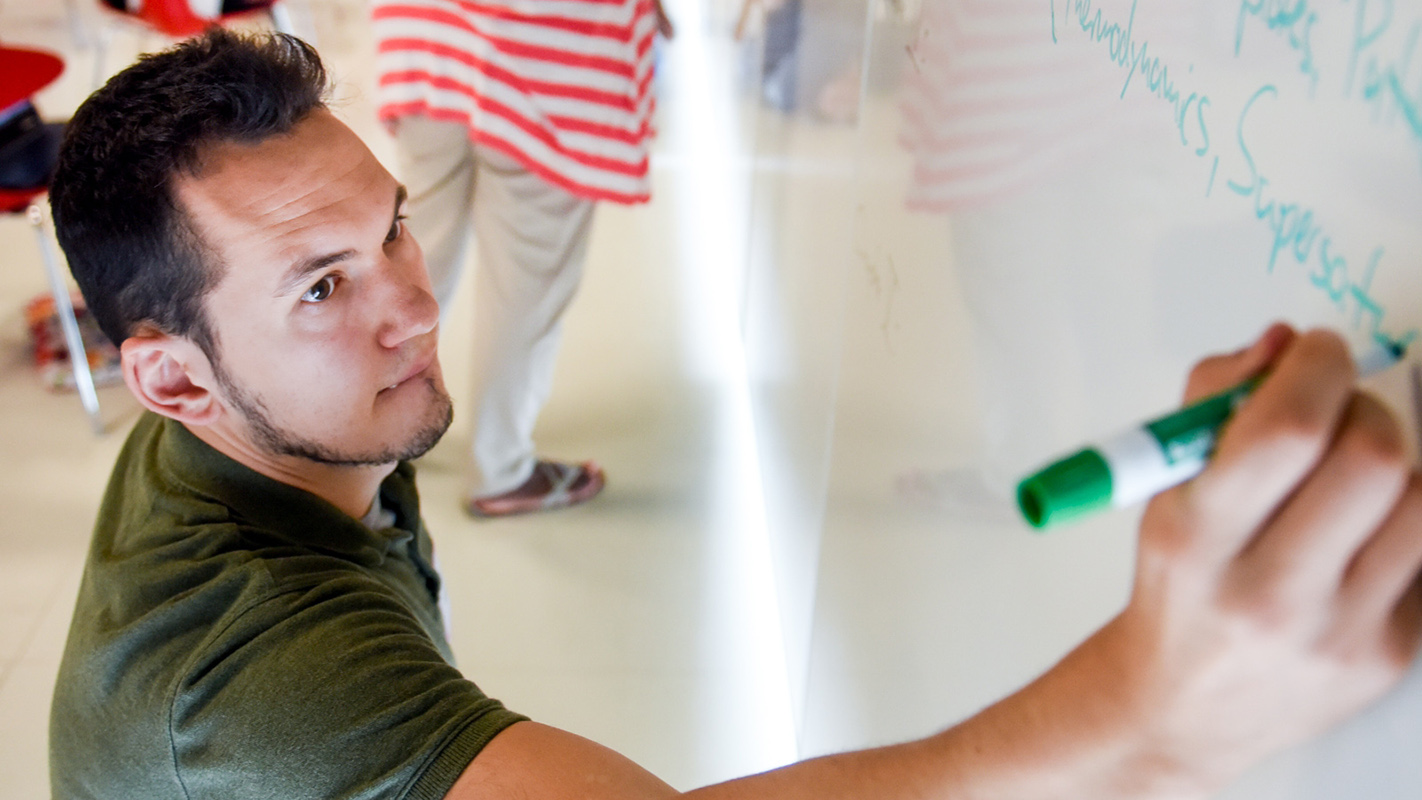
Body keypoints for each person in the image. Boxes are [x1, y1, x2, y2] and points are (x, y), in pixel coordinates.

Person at [48, 30, 1422, 800]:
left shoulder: (276, 425)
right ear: (169, 378)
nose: (410, 306)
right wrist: (1146, 700)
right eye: (322, 286)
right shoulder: (244, 684)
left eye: (391, 230)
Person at [369, 0, 673, 517]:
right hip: (546, 60)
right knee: (524, 282)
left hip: (428, 33)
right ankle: (502, 467)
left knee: (410, 254)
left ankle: (362, 438)